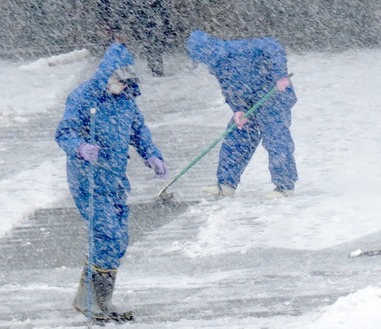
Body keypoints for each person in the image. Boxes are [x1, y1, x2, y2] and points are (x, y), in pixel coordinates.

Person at [55, 42, 168, 322]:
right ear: (107, 75)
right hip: (88, 180)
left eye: (126, 81)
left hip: (115, 180)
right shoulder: (83, 98)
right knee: (107, 237)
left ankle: (92, 301)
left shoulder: (126, 102)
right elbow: (64, 132)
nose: (122, 86)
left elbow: (139, 132)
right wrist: (80, 147)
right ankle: (93, 303)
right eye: (119, 80)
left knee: (118, 241)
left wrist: (152, 156)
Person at [186, 30, 298, 200]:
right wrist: (238, 109)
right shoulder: (217, 65)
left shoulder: (238, 49)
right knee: (236, 135)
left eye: (201, 57)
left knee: (275, 138)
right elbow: (229, 89)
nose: (203, 62)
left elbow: (273, 47)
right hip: (248, 102)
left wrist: (280, 75)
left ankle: (285, 186)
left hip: (274, 96)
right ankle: (226, 184)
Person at [97, 0, 174, 76]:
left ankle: (120, 72)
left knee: (148, 36)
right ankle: (154, 68)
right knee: (149, 36)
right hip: (135, 9)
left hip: (134, 9)